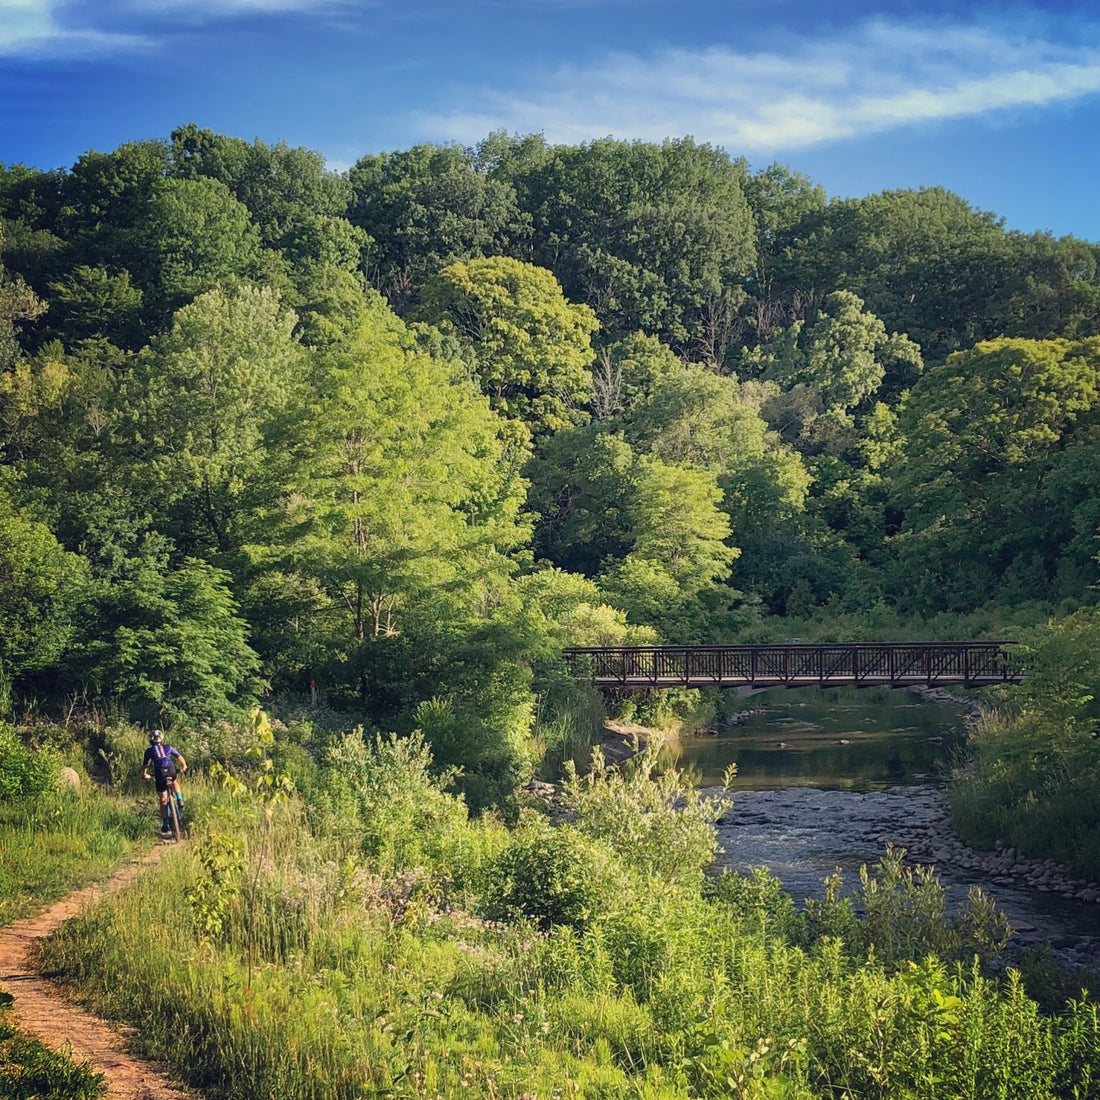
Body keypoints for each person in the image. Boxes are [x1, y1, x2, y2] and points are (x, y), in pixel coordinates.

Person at [142, 729, 187, 835]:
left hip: (159, 773)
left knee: (163, 799)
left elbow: (145, 766)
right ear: (162, 739)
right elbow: (180, 757)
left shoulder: (149, 751)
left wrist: (144, 775)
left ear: (151, 741)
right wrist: (183, 766)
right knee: (174, 781)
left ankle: (166, 824)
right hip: (171, 769)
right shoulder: (168, 747)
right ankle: (180, 799)